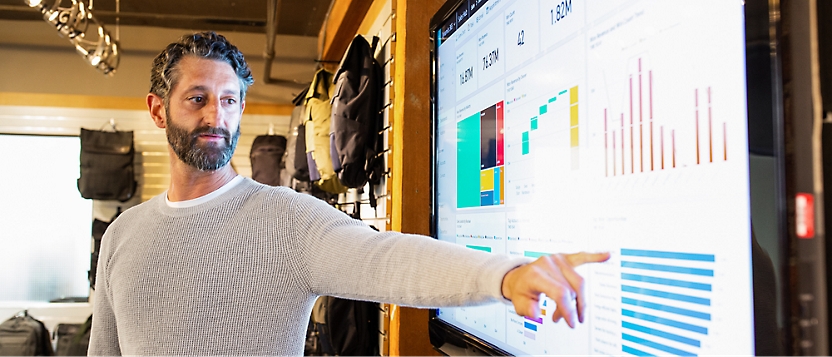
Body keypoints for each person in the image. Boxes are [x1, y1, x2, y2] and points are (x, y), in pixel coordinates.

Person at [87, 31, 610, 356]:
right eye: (197, 99)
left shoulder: (286, 221)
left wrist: (506, 274)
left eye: (229, 100)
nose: (216, 117)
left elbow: (388, 258)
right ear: (158, 110)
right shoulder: (123, 236)